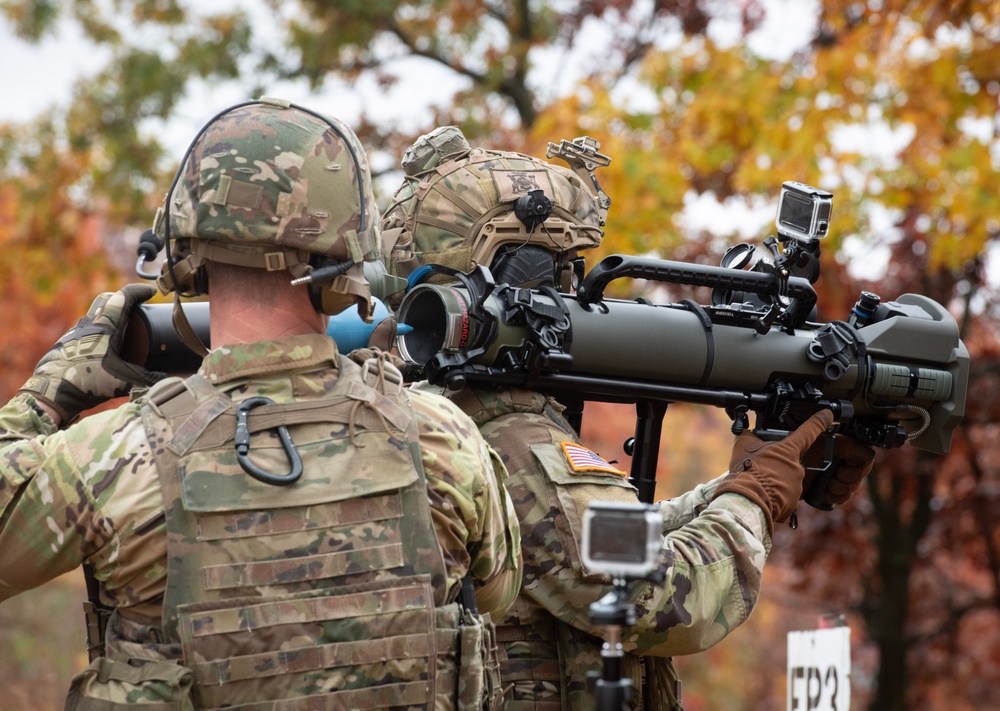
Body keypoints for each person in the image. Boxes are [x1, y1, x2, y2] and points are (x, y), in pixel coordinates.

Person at [0, 99, 521, 711]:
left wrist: (53, 387)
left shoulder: (114, 457)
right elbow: (494, 596)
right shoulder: (442, 438)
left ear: (188, 257)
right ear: (347, 263)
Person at [377, 126, 877, 710]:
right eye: (565, 266)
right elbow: (667, 599)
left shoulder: (431, 414)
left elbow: (605, 534)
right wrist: (754, 504)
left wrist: (740, 485)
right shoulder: (513, 441)